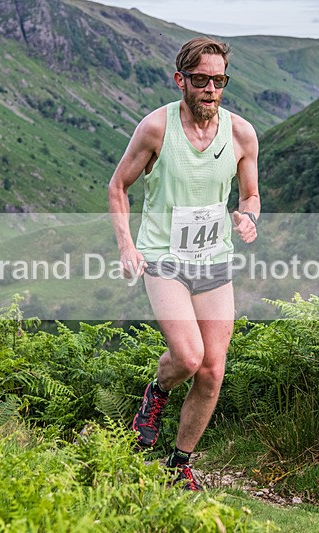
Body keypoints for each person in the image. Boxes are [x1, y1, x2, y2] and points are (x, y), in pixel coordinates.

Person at [107, 36, 260, 491]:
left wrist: (248, 217)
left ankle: (179, 464)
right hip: (164, 257)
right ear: (181, 80)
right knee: (189, 357)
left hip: (214, 259)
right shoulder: (156, 128)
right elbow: (118, 187)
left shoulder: (241, 134)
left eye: (219, 81)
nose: (210, 89)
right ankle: (156, 394)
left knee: (212, 371)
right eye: (201, 80)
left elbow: (251, 195)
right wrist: (126, 246)